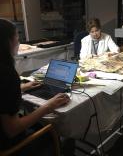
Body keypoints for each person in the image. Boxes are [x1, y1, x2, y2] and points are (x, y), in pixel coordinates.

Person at [0, 19, 70, 154]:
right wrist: (49, 106)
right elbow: (12, 129)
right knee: (57, 131)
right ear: (8, 42)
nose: (19, 42)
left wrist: (23, 87)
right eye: (17, 37)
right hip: (10, 146)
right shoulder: (7, 75)